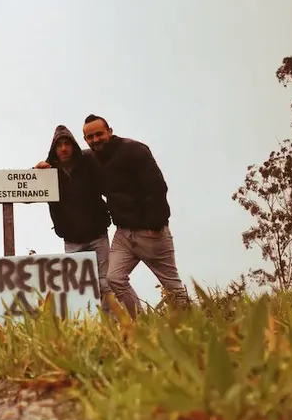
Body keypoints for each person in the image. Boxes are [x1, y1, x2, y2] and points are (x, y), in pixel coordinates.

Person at [36, 115, 189, 318]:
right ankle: (140, 322)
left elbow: (157, 188)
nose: (95, 139)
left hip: (152, 233)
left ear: (109, 131)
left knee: (172, 285)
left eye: (99, 134)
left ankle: (192, 325)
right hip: (124, 234)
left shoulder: (134, 150)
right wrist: (43, 167)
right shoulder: (91, 157)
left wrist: (155, 224)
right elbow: (63, 162)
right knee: (114, 279)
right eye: (90, 137)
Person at [44, 124, 112, 302]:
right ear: (54, 149)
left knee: (106, 283)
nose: (64, 148)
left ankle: (112, 323)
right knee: (78, 287)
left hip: (98, 235)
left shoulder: (90, 163)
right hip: (71, 239)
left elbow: (110, 187)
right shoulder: (48, 172)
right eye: (59, 145)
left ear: (74, 145)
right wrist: (35, 173)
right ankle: (89, 326)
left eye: (67, 143)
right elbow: (27, 194)